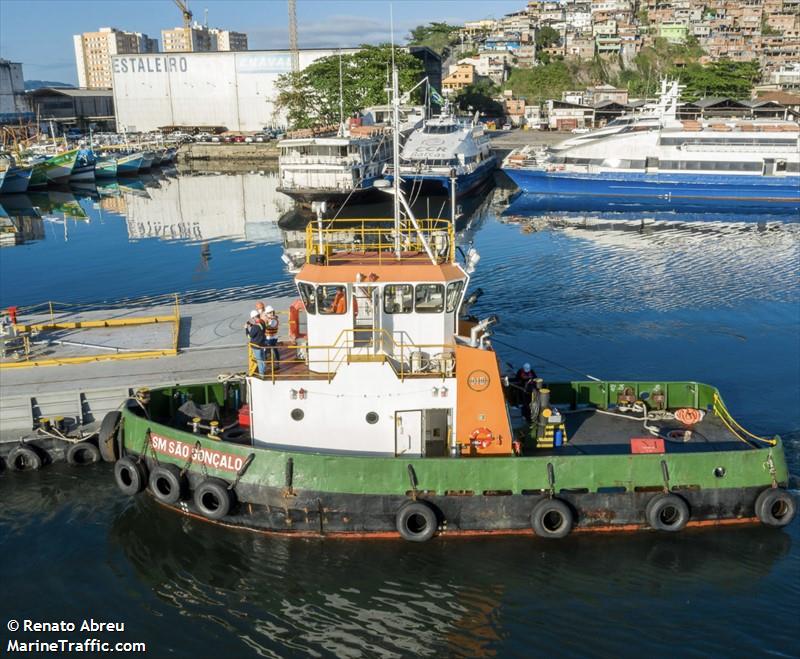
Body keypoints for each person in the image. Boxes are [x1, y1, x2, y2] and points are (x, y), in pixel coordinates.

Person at [246, 310, 266, 375]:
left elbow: (249, 336)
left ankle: (261, 374)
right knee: (263, 359)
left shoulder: (255, 327)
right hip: (262, 344)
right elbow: (259, 329)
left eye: (252, 318)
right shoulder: (262, 322)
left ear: (254, 317)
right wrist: (251, 325)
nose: (252, 319)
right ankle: (264, 370)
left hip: (256, 346)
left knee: (259, 361)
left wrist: (246, 328)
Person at [263, 305, 280, 370]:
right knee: (273, 350)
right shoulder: (272, 319)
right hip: (272, 337)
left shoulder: (273, 320)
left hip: (270, 338)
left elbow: (268, 327)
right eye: (270, 312)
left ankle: (273, 363)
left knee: (268, 350)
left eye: (272, 312)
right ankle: (274, 362)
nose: (272, 314)